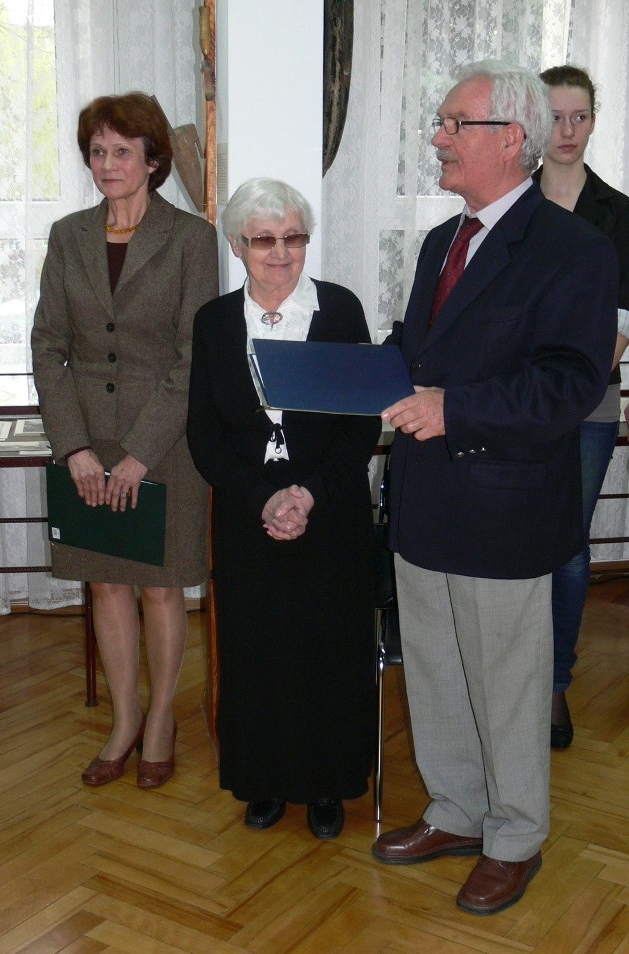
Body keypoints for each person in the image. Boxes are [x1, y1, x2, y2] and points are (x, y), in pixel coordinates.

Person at [371, 61, 617, 915]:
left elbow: (569, 384)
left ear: (509, 140)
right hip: (426, 500)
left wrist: (456, 409)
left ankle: (515, 836)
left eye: (451, 125)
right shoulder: (443, 240)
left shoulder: (574, 248)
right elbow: (417, 356)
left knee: (507, 685)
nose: (436, 139)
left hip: (503, 506)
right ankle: (457, 810)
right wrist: (353, 378)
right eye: (439, 124)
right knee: (435, 671)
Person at [31, 92, 218, 788]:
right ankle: (126, 719)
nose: (106, 164)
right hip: (86, 442)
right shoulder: (68, 236)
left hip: (164, 445)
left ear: (152, 160)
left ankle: (164, 718)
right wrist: (74, 448)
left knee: (162, 590)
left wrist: (139, 454)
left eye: (120, 151)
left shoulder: (192, 240)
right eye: (96, 151)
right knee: (106, 586)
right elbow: (49, 346)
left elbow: (194, 356)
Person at [187, 178, 380, 840]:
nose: (281, 253)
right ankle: (262, 780)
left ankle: (329, 784)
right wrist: (263, 496)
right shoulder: (214, 322)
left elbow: (361, 428)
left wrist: (307, 493)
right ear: (238, 244)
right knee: (256, 649)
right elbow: (204, 435)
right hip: (248, 516)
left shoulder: (341, 311)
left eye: (294, 237)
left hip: (330, 513)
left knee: (329, 646)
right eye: (265, 239)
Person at [535, 65, 629, 749]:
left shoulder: (619, 215)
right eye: (555, 117)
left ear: (595, 119)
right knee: (514, 542)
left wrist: (568, 384)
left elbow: (619, 326)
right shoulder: (508, 204)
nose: (566, 132)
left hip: (587, 402)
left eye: (579, 116)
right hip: (512, 405)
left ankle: (554, 685)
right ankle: (509, 678)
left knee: (566, 547)